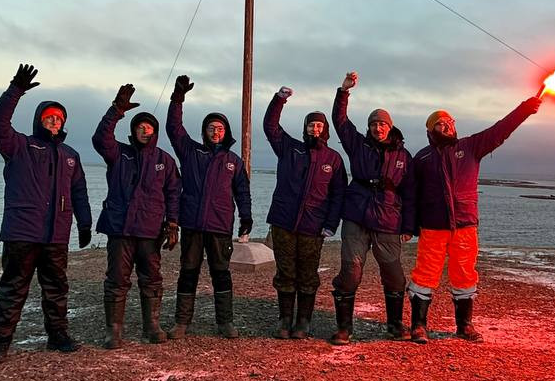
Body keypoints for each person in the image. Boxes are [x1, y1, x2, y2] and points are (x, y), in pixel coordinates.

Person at [408, 95, 542, 343]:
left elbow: (500, 130)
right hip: (433, 225)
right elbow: (412, 195)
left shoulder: (471, 146)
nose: (446, 126)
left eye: (450, 122)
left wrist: (524, 109)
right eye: (440, 123)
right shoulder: (422, 158)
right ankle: (418, 325)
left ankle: (464, 326)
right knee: (425, 274)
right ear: (430, 130)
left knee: (464, 274)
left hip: (465, 224)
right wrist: (409, 226)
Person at [0, 64, 92, 364]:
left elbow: (79, 192)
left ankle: (58, 336)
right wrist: (15, 90)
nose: (54, 121)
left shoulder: (70, 155)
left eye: (59, 118)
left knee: (56, 288)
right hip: (22, 232)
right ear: (39, 120)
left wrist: (84, 224)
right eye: (49, 117)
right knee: (13, 288)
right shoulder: (20, 146)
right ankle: (1, 342)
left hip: (56, 234)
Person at [328, 71, 415, 344]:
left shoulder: (403, 156)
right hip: (356, 215)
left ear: (390, 127)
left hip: (388, 219)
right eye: (374, 124)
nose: (378, 128)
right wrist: (344, 91)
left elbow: (409, 193)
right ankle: (344, 328)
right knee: (350, 273)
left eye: (382, 124)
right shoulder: (358, 145)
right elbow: (340, 121)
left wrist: (409, 226)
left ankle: (395, 325)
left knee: (394, 276)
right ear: (369, 127)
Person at [93, 84, 181, 349]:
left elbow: (174, 193)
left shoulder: (165, 160)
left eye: (149, 127)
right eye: (140, 127)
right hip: (119, 229)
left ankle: (152, 325)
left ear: (155, 131)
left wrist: (173, 224)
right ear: (133, 130)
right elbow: (100, 139)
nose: (144, 130)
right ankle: (113, 331)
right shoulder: (118, 153)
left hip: (150, 230)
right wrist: (116, 110)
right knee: (117, 279)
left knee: (151, 278)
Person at [165, 75, 252, 339]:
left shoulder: (233, 161)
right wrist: (177, 99)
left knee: (221, 273)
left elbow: (242, 191)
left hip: (219, 226)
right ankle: (182, 322)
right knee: (188, 272)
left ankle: (225, 322)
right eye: (211, 128)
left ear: (226, 132)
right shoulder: (190, 151)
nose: (216, 132)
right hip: (192, 224)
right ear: (204, 131)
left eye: (220, 129)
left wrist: (246, 218)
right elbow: (173, 128)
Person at [264, 85, 347, 340]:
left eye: (319, 125)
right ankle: (285, 319)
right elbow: (270, 127)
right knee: (286, 272)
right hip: (283, 223)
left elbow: (338, 195)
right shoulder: (289, 148)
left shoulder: (333, 159)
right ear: (305, 128)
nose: (315, 129)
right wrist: (279, 100)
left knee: (308, 275)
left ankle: (304, 320)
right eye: (311, 125)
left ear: (326, 130)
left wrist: (330, 225)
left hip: (313, 227)